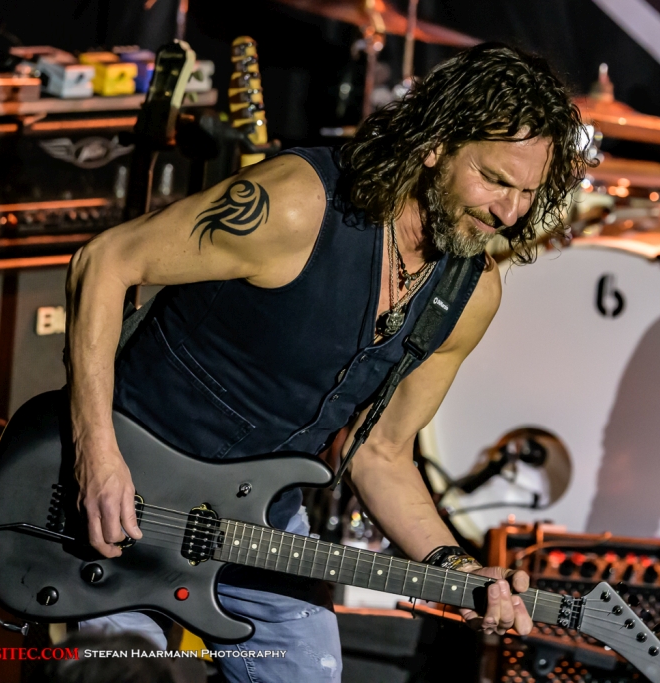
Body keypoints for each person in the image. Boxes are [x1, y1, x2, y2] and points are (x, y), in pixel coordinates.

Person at [65, 43, 584, 682]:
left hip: (259, 519)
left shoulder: (467, 294)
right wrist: (96, 455)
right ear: (436, 144)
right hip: (123, 487)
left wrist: (456, 569)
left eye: (528, 192)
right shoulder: (297, 207)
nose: (509, 212)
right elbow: (105, 262)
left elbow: (380, 453)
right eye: (495, 179)